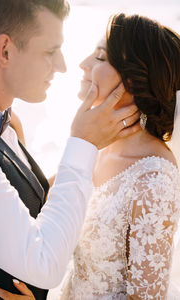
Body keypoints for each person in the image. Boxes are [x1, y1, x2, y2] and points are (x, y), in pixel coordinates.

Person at [0, 1, 140, 299]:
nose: (64, 65)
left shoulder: (10, 125)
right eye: (50, 52)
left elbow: (31, 210)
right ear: (5, 51)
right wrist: (83, 143)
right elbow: (45, 266)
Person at [46, 13, 180, 299]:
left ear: (132, 80)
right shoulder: (94, 149)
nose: (83, 64)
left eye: (100, 57)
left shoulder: (153, 177)